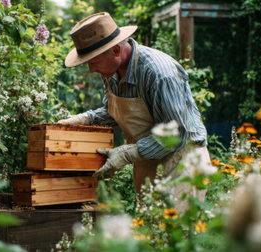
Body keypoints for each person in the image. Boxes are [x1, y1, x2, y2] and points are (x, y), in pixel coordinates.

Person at [58, 12, 211, 212]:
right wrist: (83, 120)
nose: (91, 70)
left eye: (93, 62)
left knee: (173, 235)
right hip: (148, 161)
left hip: (182, 163)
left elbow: (178, 133)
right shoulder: (111, 70)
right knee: (148, 235)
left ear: (115, 50)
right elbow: (114, 110)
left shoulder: (159, 73)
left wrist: (128, 152)